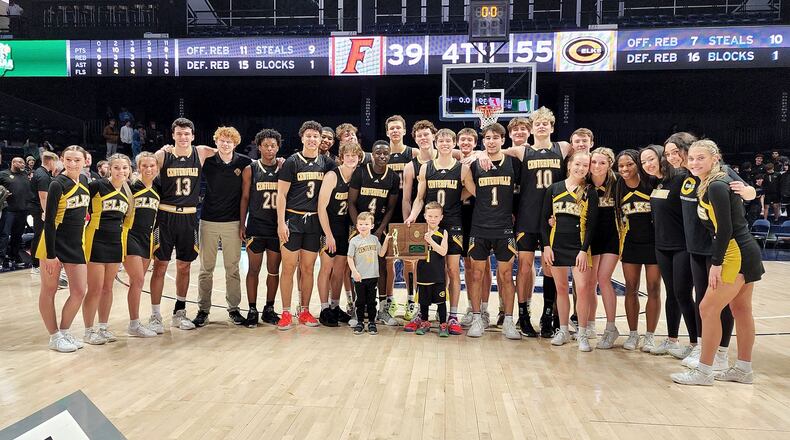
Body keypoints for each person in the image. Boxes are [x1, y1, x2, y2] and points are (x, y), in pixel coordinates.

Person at [671, 140, 763, 386]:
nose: (694, 163)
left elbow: (725, 229)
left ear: (715, 159)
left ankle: (704, 371)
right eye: (691, 158)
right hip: (745, 250)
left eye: (701, 158)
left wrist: (716, 263)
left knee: (708, 309)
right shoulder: (711, 183)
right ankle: (743, 369)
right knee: (741, 310)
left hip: (735, 252)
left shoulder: (717, 186)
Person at [498, 109, 573, 338]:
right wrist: (473, 155)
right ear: (532, 128)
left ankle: (548, 314)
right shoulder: (523, 150)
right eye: (537, 123)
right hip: (528, 217)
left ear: (551, 127)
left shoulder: (563, 147)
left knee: (551, 269)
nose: (541, 127)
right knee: (525, 266)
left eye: (545, 124)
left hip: (554, 217)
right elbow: (494, 150)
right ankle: (523, 315)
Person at [149, 118, 216, 332]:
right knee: (160, 265)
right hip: (166, 216)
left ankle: (180, 312)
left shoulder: (202, 152)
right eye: (179, 133)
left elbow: (227, 150)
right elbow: (144, 173)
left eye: (187, 133)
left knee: (184, 266)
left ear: (193, 136)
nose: (183, 137)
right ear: (173, 135)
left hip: (188, 218)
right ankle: (155, 315)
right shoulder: (162, 155)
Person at [404, 128, 470, 335]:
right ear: (436, 142)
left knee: (451, 269)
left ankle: (452, 315)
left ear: (454, 143)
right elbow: (419, 198)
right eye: (441, 140)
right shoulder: (425, 168)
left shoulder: (461, 169)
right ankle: (421, 314)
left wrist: (456, 199)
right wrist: (414, 215)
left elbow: (471, 189)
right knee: (424, 268)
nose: (444, 143)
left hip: (452, 222)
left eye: (448, 140)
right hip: (430, 222)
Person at [276, 120, 337, 330]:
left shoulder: (327, 164)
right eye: (308, 136)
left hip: (314, 222)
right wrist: (280, 223)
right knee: (289, 268)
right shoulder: (292, 162)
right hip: (292, 220)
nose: (312, 139)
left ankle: (304, 310)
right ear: (302, 138)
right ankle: (285, 312)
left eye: (316, 136)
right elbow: (281, 195)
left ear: (321, 140)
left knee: (308, 268)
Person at [463, 123, 520, 339]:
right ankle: (478, 317)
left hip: (504, 228)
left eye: (496, 137)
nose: (491, 141)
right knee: (476, 274)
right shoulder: (474, 165)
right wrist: (477, 156)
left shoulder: (513, 163)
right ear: (483, 141)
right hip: (480, 227)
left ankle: (508, 320)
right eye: (487, 138)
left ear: (503, 140)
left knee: (506, 276)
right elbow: (462, 175)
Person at [190, 127, 251, 327]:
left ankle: (234, 309)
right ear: (216, 142)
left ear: (235, 144)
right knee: (205, 269)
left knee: (232, 269)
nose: (225, 144)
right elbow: (195, 148)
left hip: (232, 222)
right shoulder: (208, 161)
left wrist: (243, 223)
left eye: (229, 141)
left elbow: (246, 193)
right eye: (222, 141)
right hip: (208, 220)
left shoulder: (243, 162)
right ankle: (203, 310)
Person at [640, 144, 698, 356]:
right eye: (644, 161)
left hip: (682, 245)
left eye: (651, 159)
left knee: (683, 294)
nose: (647, 164)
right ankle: (672, 339)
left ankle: (695, 344)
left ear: (661, 158)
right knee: (672, 294)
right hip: (662, 246)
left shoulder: (682, 178)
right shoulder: (657, 183)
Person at [541, 151, 598, 350]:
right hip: (556, 245)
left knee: (582, 290)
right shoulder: (554, 189)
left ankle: (582, 333)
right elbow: (543, 222)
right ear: (569, 165)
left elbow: (592, 224)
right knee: (561, 289)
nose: (581, 168)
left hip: (579, 247)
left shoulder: (590, 191)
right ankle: (563, 330)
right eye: (578, 164)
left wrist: (584, 250)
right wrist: (546, 246)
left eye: (585, 165)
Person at [36, 146, 90, 352]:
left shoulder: (85, 181)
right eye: (69, 159)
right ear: (62, 160)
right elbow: (48, 221)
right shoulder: (57, 184)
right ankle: (54, 336)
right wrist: (51, 255)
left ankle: (65, 332)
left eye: (77, 160)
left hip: (75, 244)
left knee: (78, 291)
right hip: (54, 242)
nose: (73, 164)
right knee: (49, 290)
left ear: (85, 161)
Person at [81, 154, 134, 344]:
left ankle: (103, 327)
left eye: (125, 168)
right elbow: (81, 210)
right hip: (95, 240)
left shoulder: (128, 192)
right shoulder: (97, 186)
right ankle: (88, 331)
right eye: (117, 167)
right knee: (94, 289)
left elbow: (126, 221)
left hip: (115, 242)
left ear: (130, 170)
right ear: (109, 169)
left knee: (108, 288)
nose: (121, 171)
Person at [348, 140, 400, 326]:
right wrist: (360, 228)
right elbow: (351, 203)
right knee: (356, 265)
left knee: (381, 265)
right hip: (359, 226)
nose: (382, 156)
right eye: (378, 153)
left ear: (390, 155)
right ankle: (357, 309)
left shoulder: (393, 177)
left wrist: (378, 230)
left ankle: (383, 308)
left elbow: (391, 208)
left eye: (386, 153)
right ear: (372, 154)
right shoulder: (361, 172)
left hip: (378, 227)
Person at [616, 149, 661, 351]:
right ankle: (633, 334)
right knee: (631, 288)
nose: (625, 169)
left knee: (653, 288)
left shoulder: (651, 183)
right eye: (621, 166)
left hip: (654, 243)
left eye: (629, 164)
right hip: (631, 244)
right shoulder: (618, 186)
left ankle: (649, 336)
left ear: (637, 164)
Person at [240, 129, 283, 327]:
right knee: (253, 270)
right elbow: (245, 198)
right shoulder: (251, 168)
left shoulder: (284, 167)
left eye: (273, 145)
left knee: (273, 270)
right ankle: (251, 309)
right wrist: (242, 223)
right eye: (265, 145)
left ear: (278, 147)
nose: (269, 149)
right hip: (256, 226)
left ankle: (269, 308)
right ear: (259, 147)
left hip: (276, 228)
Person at [317, 142, 361, 326]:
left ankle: (335, 306)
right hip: (329, 227)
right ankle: (324, 308)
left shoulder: (358, 176)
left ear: (359, 158)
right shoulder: (332, 176)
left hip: (346, 229)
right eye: (348, 155)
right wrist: (328, 234)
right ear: (342, 157)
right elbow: (321, 207)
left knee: (340, 270)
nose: (351, 158)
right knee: (327, 268)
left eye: (355, 155)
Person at [456, 128, 493, 330]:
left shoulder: (481, 158)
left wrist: (483, 154)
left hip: (479, 215)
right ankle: (472, 306)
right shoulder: (455, 159)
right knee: (468, 265)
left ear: (476, 142)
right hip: (459, 215)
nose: (465, 143)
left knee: (483, 264)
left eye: (470, 140)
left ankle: (485, 309)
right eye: (462, 140)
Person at [122, 152, 160, 337]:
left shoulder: (157, 189)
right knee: (137, 280)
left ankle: (135, 323)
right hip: (130, 236)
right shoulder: (130, 187)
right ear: (138, 168)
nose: (148, 169)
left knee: (136, 282)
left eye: (152, 165)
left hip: (148, 239)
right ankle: (134, 324)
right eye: (144, 165)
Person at [588, 148, 621, 349]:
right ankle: (590, 324)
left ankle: (610, 328)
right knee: (589, 282)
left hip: (612, 238)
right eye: (594, 162)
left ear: (609, 164)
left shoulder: (617, 183)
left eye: (602, 163)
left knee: (603, 278)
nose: (597, 166)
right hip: (590, 237)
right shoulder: (585, 182)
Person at [347, 212, 391, 335]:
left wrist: (386, 240)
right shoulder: (354, 241)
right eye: (361, 224)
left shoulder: (375, 239)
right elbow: (349, 258)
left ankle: (372, 322)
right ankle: (360, 322)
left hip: (373, 276)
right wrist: (354, 272)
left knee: (371, 301)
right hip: (359, 277)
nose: (363, 226)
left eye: (366, 224)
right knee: (360, 301)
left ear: (372, 226)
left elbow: (381, 254)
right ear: (356, 225)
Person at [410, 202, 449, 336]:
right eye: (430, 216)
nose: (433, 219)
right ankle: (425, 322)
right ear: (425, 216)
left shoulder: (443, 232)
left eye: (436, 216)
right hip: (423, 274)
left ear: (441, 217)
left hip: (438, 275)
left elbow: (443, 252)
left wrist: (431, 241)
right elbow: (413, 251)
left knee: (441, 302)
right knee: (423, 302)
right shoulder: (419, 232)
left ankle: (443, 325)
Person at [29, 151, 58, 273]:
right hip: (39, 209)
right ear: (51, 161)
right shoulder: (43, 175)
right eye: (55, 162)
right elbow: (43, 196)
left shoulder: (40, 172)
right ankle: (36, 265)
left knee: (40, 235)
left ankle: (36, 264)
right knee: (39, 236)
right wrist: (46, 212)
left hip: (37, 208)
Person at [0, 157, 32, 268]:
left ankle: (14, 257)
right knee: (4, 235)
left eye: (24, 163)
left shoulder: (25, 176)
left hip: (23, 210)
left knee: (18, 236)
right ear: (14, 163)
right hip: (8, 210)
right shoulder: (3, 174)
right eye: (21, 162)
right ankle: (1, 259)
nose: (23, 164)